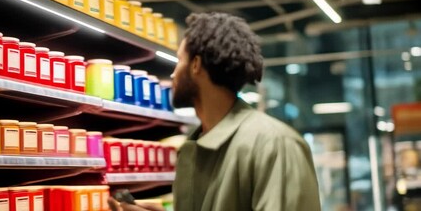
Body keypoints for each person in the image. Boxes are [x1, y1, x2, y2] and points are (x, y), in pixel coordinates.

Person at [108, 12, 321, 211]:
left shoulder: (274, 144)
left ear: (196, 65)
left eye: (180, 60)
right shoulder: (194, 148)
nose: (173, 74)